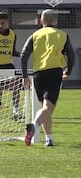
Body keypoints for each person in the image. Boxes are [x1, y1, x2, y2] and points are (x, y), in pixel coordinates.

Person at [21, 9, 74, 147]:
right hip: (54, 72)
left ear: (41, 20)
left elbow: (24, 55)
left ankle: (49, 139)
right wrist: (68, 71)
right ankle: (34, 125)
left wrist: (25, 75)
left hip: (38, 74)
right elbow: (71, 55)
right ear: (55, 21)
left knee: (46, 109)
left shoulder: (35, 35)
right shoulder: (62, 35)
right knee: (47, 109)